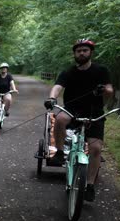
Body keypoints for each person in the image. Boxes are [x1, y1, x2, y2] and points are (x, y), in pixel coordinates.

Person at [43, 39, 113, 202]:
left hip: (94, 112)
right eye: (79, 51)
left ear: (90, 53)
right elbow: (57, 87)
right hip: (72, 110)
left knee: (95, 148)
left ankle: (89, 186)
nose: (81, 53)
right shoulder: (68, 72)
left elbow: (109, 90)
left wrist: (104, 90)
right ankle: (60, 153)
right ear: (74, 53)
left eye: (85, 50)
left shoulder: (101, 70)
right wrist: (52, 98)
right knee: (60, 119)